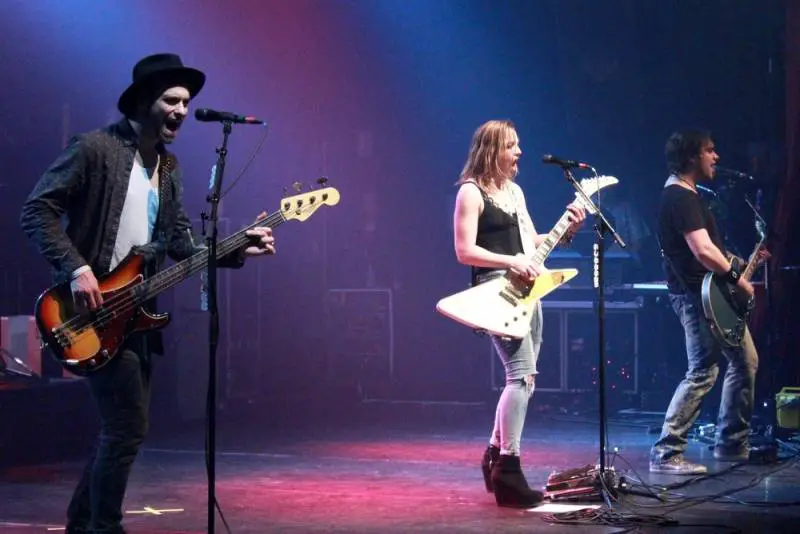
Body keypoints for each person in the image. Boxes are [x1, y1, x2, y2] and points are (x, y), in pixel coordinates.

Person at [20, 53, 276, 534]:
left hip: (134, 316)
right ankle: (104, 526)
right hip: (86, 311)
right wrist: (77, 268)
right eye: (171, 101)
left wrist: (237, 247)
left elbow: (181, 244)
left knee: (119, 428)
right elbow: (36, 210)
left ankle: (84, 522)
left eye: (186, 103)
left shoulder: (169, 167)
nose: (182, 111)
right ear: (143, 101)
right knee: (126, 427)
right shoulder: (94, 149)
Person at [452, 119, 585, 507]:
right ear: (492, 150)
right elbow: (464, 251)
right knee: (521, 376)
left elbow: (531, 244)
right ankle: (507, 468)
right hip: (498, 292)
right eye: (512, 146)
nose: (519, 152)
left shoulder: (514, 192)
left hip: (530, 290)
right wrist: (511, 261)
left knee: (525, 379)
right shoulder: (470, 193)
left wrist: (566, 229)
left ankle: (495, 456)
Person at [649, 130, 765, 475]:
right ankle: (666, 452)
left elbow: (712, 250)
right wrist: (738, 279)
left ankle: (731, 443)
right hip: (696, 297)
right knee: (703, 371)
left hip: (712, 295)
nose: (716, 157)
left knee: (745, 361)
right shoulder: (679, 197)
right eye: (709, 151)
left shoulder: (691, 196)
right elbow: (702, 251)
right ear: (690, 157)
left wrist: (744, 264)